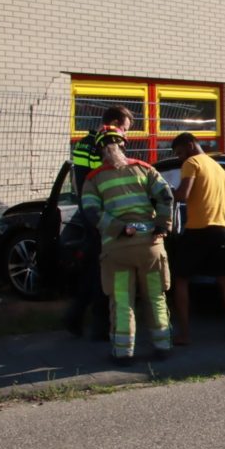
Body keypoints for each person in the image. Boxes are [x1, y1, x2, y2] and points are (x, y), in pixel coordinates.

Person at [80, 128, 175, 366]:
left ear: (101, 150)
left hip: (117, 250)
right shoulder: (144, 169)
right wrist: (162, 225)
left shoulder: (93, 179)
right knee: (155, 296)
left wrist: (119, 228)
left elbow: (90, 212)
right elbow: (166, 196)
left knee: (122, 301)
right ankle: (163, 347)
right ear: (124, 145)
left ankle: (123, 353)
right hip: (150, 247)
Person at [63, 105, 134, 340]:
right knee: (104, 271)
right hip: (102, 215)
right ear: (113, 123)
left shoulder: (84, 142)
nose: (125, 137)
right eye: (124, 129)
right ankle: (99, 326)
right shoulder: (102, 144)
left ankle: (77, 317)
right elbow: (108, 175)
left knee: (93, 269)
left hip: (89, 211)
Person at [169, 132, 225, 344]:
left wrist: (166, 191)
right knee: (224, 278)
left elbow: (183, 195)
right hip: (220, 229)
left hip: (198, 229)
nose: (180, 157)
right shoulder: (218, 168)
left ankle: (184, 334)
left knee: (181, 279)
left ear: (190, 145)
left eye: (180, 152)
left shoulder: (192, 163)